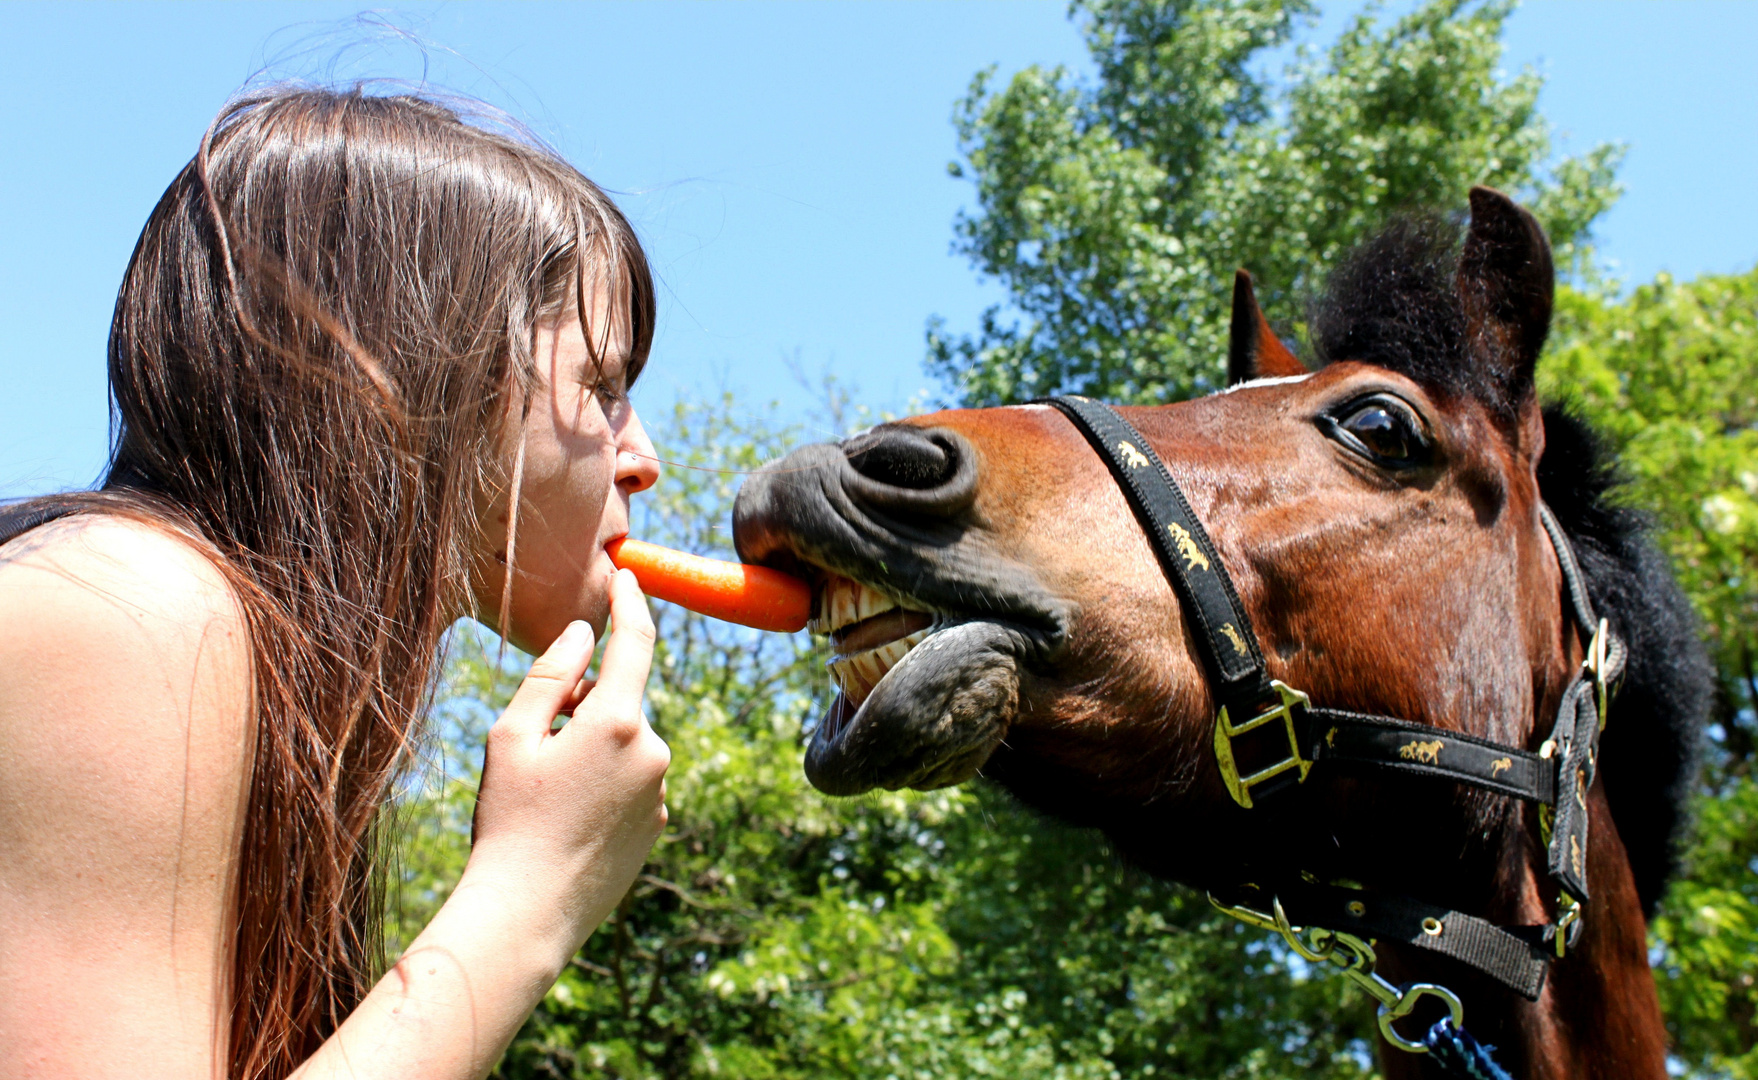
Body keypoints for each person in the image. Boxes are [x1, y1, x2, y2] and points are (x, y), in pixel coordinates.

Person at [0, 87, 673, 1080]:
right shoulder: (130, 613)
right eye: (605, 391)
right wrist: (534, 890)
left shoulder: (241, 666)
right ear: (417, 377)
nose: (642, 458)